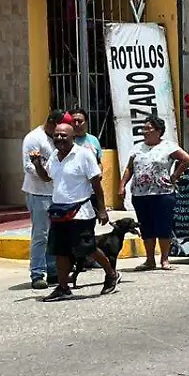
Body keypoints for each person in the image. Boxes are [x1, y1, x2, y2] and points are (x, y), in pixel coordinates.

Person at [30, 123, 119, 301]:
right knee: (60, 250)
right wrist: (37, 164)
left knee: (87, 248)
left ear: (72, 138)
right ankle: (63, 287)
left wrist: (102, 209)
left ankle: (111, 274)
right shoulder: (54, 156)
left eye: (64, 135)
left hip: (81, 211)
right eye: (56, 135)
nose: (59, 138)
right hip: (59, 211)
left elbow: (96, 184)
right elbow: (47, 177)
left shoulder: (84, 155)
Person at [120, 115, 189, 271]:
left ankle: (165, 259)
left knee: (163, 226)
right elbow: (129, 168)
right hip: (140, 194)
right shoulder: (137, 147)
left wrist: (174, 176)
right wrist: (122, 185)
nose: (145, 132)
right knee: (146, 227)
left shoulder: (168, 146)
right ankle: (149, 259)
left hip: (163, 193)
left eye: (149, 129)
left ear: (158, 131)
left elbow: (187, 159)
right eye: (144, 129)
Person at [22, 110, 62, 289]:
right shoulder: (33, 138)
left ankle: (53, 271)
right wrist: (48, 175)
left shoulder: (58, 138)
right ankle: (37, 273)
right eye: (58, 129)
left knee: (55, 233)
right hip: (38, 193)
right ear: (51, 122)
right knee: (41, 234)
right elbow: (29, 167)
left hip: (56, 193)